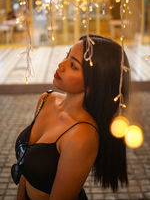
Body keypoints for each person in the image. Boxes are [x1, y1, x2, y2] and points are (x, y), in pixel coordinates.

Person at [11, 34, 130, 200]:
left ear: (94, 82)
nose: (61, 65)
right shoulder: (47, 99)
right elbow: (26, 167)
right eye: (67, 56)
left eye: (73, 65)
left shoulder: (82, 134)